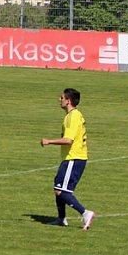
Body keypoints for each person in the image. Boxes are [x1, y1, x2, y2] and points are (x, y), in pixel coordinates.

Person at [40, 88, 96, 230]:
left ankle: (85, 213)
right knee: (58, 186)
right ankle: (61, 218)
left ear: (68, 101)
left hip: (74, 158)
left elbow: (68, 140)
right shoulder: (75, 115)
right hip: (73, 158)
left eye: (62, 98)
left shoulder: (72, 117)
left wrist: (49, 141)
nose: (59, 100)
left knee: (60, 190)